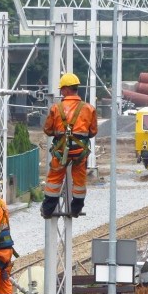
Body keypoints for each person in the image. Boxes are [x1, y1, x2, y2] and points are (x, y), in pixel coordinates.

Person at [41, 72, 98, 219]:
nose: (61, 92)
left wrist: (61, 133)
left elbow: (48, 130)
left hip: (61, 151)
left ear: (66, 89)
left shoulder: (56, 108)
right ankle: (76, 209)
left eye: (61, 89)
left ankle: (47, 209)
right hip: (79, 152)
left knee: (54, 179)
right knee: (79, 180)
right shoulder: (89, 109)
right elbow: (92, 132)